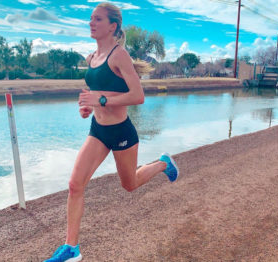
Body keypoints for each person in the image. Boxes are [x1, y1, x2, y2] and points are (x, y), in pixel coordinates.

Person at [44, 3, 179, 262]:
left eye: (97, 19)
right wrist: (86, 107)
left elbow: (138, 96)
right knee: (75, 185)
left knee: (130, 185)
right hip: (97, 131)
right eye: (90, 19)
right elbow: (95, 93)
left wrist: (102, 100)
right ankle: (72, 248)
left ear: (112, 26)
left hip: (120, 131)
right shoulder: (90, 58)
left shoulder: (119, 56)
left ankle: (163, 163)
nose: (91, 23)